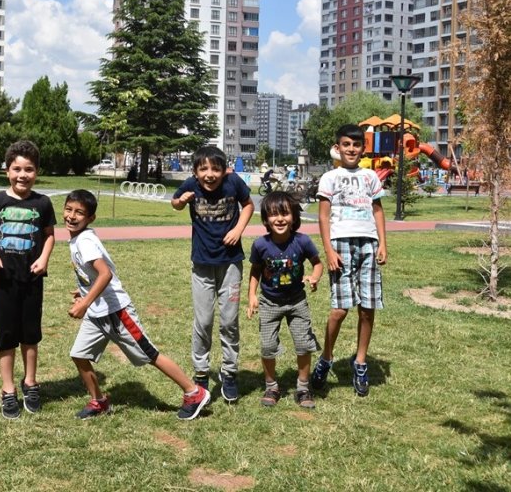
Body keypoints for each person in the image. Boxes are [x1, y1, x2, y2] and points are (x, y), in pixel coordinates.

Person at [64, 190, 212, 420]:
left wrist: (84, 302)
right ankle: (98, 401)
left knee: (150, 354)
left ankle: (194, 392)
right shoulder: (77, 238)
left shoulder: (85, 240)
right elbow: (95, 275)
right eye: (69, 209)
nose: (72, 216)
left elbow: (105, 275)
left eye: (79, 213)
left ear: (90, 218)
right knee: (79, 355)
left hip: (116, 312)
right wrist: (83, 290)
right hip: (97, 313)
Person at [0, 140, 56, 419]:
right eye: (16, 168)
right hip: (3, 280)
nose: (22, 175)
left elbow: (49, 234)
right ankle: (8, 390)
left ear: (36, 172)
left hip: (32, 279)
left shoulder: (43, 203)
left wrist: (44, 258)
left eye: (28, 169)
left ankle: (30, 382)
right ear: (7, 171)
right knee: (5, 336)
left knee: (30, 334)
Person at [171, 146, 254, 402]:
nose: (210, 174)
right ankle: (201, 373)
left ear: (224, 169)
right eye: (203, 169)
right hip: (202, 265)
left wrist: (239, 229)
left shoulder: (233, 183)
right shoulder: (190, 185)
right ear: (195, 171)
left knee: (229, 321)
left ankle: (229, 374)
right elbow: (174, 202)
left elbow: (249, 205)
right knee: (204, 322)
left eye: (215, 169)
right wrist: (180, 202)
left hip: (230, 264)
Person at [312, 124, 387, 397]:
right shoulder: (330, 178)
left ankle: (360, 362)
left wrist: (382, 244)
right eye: (346, 144)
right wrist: (329, 251)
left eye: (356, 145)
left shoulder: (370, 177)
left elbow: (378, 211)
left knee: (367, 307)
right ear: (338, 147)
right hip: (340, 246)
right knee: (339, 310)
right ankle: (326, 357)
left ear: (363, 148)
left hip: (367, 243)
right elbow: (323, 217)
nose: (351, 149)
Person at [247, 191, 323, 408]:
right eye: (273, 214)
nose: (279, 219)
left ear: (294, 217)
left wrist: (314, 277)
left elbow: (317, 263)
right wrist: (252, 296)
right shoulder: (261, 245)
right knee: (268, 345)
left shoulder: (303, 241)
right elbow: (255, 271)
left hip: (297, 302)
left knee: (303, 344)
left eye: (285, 213)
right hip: (269, 303)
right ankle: (271, 386)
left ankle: (303, 388)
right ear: (266, 219)